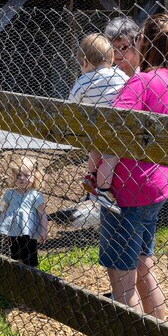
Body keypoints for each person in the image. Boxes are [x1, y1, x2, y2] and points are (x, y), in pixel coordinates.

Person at [99, 13, 168, 320]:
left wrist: (102, 174)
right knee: (142, 265)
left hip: (128, 189)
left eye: (137, 41)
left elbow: (115, 128)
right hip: (159, 185)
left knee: (121, 275)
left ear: (145, 44)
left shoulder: (141, 80)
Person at [68, 33, 128, 213]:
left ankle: (93, 178)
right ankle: (102, 190)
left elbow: (71, 103)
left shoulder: (83, 80)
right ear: (111, 60)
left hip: (93, 129)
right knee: (111, 158)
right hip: (114, 129)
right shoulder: (119, 76)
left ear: (85, 62)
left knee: (95, 150)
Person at [0, 156, 47, 267]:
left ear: (35, 176)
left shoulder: (35, 195)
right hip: (13, 231)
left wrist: (44, 230)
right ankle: (18, 275)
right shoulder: (10, 194)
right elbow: (4, 212)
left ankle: (31, 275)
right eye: (19, 175)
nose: (22, 178)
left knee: (30, 257)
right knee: (15, 255)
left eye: (27, 175)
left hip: (29, 232)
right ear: (14, 176)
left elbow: (42, 214)